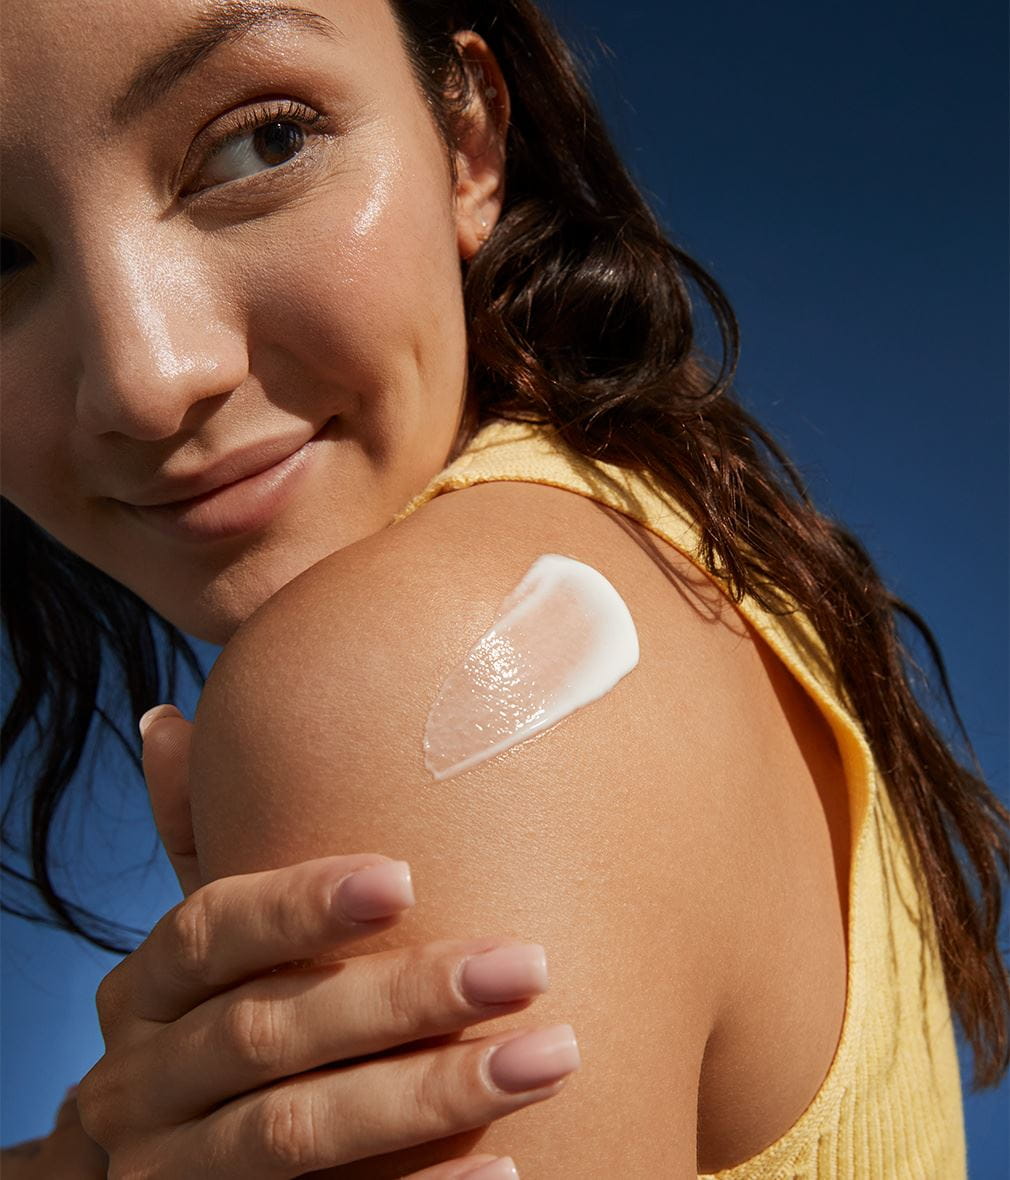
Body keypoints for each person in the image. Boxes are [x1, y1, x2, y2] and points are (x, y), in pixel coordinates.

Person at [1, 0, 1007, 1176]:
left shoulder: (414, 652)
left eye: (259, 143)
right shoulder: (665, 527)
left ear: (467, 136)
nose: (147, 377)